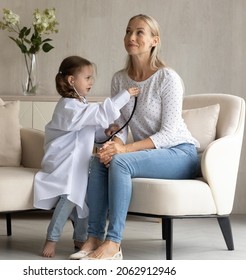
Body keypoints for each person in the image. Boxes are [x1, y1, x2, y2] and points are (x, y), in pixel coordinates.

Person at [69, 14, 200, 260]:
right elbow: (120, 123)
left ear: (154, 41)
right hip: (147, 153)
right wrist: (113, 142)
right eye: (129, 31)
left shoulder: (167, 78)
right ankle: (94, 237)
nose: (131, 37)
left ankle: (114, 243)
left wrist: (125, 150)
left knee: (120, 161)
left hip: (180, 153)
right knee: (99, 159)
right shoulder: (120, 79)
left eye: (140, 32)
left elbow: (169, 133)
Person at [33, 55, 139, 258]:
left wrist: (106, 132)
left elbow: (90, 130)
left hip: (78, 164)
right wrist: (124, 95)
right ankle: (51, 238)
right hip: (64, 164)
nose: (91, 82)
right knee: (69, 200)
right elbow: (96, 114)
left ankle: (80, 238)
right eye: (88, 78)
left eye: (92, 78)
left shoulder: (80, 105)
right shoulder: (67, 106)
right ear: (72, 81)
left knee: (84, 201)